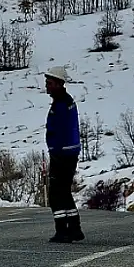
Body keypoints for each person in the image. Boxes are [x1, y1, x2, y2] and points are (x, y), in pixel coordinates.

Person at [44, 66, 84, 243]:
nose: (47, 86)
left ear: (59, 84)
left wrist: (54, 149)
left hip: (62, 154)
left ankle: (62, 230)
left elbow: (58, 131)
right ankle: (74, 228)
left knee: (56, 193)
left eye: (50, 83)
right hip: (68, 152)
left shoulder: (61, 104)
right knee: (64, 191)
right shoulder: (66, 101)